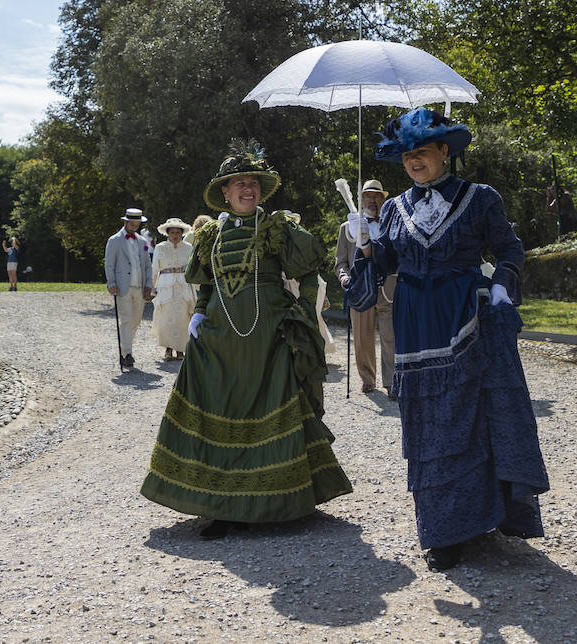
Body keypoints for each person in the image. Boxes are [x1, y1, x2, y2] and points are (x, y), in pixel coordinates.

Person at [348, 108, 549, 570]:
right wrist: (367, 250)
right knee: (430, 422)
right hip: (417, 326)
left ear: (445, 151)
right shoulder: (395, 209)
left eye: (422, 151)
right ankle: (445, 532)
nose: (414, 161)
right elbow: (379, 272)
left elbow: (510, 250)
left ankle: (491, 514)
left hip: (468, 321)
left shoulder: (480, 198)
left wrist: (500, 284)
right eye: (406, 155)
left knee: (476, 413)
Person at [141, 142, 352, 539]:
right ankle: (223, 504)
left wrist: (303, 311)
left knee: (272, 408)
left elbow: (308, 273)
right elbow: (206, 282)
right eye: (239, 184)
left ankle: (274, 500)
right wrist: (200, 313)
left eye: (252, 183)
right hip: (219, 339)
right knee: (221, 412)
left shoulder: (277, 228)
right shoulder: (211, 236)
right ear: (225, 192)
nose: (247, 189)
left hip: (268, 337)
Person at [335, 180, 397, 396]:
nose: (372, 200)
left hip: (389, 288)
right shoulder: (347, 227)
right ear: (361, 200)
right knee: (362, 337)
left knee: (391, 337)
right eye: (368, 196)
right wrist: (344, 279)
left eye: (377, 196)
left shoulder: (392, 225)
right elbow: (340, 262)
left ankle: (391, 382)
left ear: (384, 199)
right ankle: (367, 378)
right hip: (361, 288)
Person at [105, 207, 152, 369]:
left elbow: (147, 265)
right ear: (125, 222)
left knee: (136, 320)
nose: (134, 227)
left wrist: (148, 285)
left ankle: (126, 349)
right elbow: (109, 264)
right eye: (132, 224)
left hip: (139, 286)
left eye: (137, 225)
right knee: (125, 319)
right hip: (122, 286)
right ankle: (127, 353)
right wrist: (111, 283)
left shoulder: (142, 241)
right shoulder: (114, 240)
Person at [150, 218, 195, 361]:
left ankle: (181, 349)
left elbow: (193, 268)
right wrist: (151, 286)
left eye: (178, 232)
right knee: (166, 318)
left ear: (182, 233)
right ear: (167, 233)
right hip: (166, 287)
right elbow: (155, 268)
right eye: (172, 232)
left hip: (182, 285)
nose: (175, 235)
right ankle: (168, 349)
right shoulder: (160, 247)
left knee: (182, 318)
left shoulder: (188, 247)